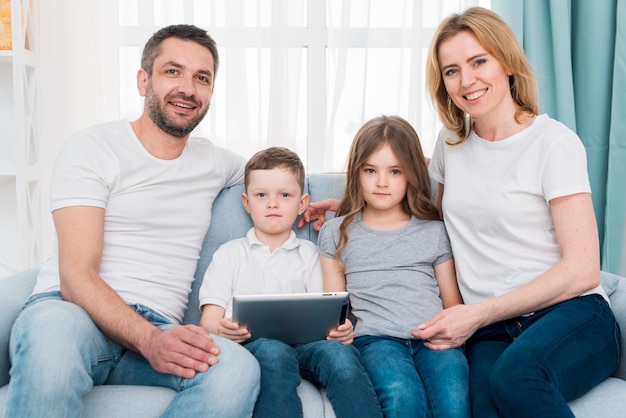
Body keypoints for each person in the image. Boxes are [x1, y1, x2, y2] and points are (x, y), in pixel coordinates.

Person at [6, 24, 260, 418]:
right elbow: (75, 277)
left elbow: (279, 177)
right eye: (172, 71)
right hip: (74, 315)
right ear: (144, 80)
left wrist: (324, 200)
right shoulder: (91, 147)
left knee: (236, 368)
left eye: (202, 78)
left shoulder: (216, 162)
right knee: (53, 340)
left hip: (159, 324)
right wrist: (150, 340)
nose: (188, 88)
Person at [413, 7, 621, 418]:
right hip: (493, 331)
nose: (466, 80)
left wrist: (474, 314)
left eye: (478, 61)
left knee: (515, 377)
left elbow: (583, 270)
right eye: (451, 70)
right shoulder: (450, 143)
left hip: (572, 315)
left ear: (506, 62)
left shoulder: (554, 144)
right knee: (484, 404)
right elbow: (423, 208)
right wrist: (351, 206)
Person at [198, 146, 382, 418]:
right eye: (262, 195)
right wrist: (224, 330)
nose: (273, 203)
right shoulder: (229, 254)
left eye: (284, 195)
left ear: (302, 203)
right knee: (273, 352)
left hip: (305, 349)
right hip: (252, 348)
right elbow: (208, 321)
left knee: (340, 357)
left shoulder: (310, 253)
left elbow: (327, 315)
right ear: (247, 202)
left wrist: (340, 330)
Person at [317, 115, 470, 418]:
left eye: (395, 171)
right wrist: (341, 329)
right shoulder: (336, 232)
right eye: (370, 170)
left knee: (453, 403)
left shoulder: (433, 231)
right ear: (357, 173)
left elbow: (452, 303)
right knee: (403, 399)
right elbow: (335, 309)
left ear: (412, 173)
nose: (382, 182)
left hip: (433, 337)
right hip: (377, 341)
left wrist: (451, 335)